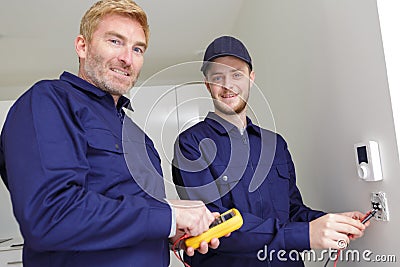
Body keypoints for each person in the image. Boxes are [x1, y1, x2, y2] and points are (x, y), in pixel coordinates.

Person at [0, 1, 220, 266]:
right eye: (115, 41)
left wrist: (173, 232)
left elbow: (135, 218)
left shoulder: (140, 138)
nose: (127, 58)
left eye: (137, 48)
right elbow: (51, 215)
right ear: (82, 46)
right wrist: (169, 215)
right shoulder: (48, 102)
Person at [172, 35, 369, 266]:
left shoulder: (275, 144)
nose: (228, 85)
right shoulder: (191, 143)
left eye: (237, 74)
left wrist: (329, 222)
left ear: (251, 78)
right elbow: (212, 226)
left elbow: (292, 210)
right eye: (218, 77)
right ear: (208, 84)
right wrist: (305, 235)